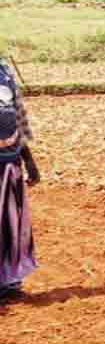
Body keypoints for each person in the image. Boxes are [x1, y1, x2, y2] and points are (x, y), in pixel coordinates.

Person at [0, 60, 40, 299]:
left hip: (10, 158)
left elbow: (19, 117)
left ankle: (7, 279)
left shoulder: (4, 70)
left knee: (10, 223)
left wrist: (29, 160)